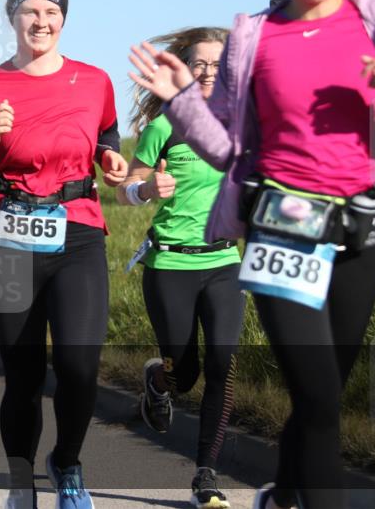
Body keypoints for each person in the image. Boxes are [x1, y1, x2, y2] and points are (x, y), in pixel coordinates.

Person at [128, 0, 375, 509]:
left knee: (320, 395)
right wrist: (182, 99)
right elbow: (225, 150)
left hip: (359, 231)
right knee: (320, 398)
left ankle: (280, 498)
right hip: (281, 231)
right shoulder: (256, 38)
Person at [0, 0, 128, 509]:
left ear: (63, 20)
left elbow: (106, 132)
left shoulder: (94, 80)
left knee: (79, 368)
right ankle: (21, 486)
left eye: (51, 14)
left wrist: (110, 156)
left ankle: (66, 463)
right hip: (10, 233)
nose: (41, 22)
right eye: (30, 12)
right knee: (23, 375)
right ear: (13, 19)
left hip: (78, 231)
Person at [118, 28, 241, 509]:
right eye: (200, 64)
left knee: (224, 365)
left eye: (218, 64)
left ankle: (206, 475)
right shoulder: (165, 125)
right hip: (170, 262)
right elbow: (127, 186)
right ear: (184, 70)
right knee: (185, 373)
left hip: (225, 261)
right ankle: (159, 380)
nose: (209, 72)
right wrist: (146, 190)